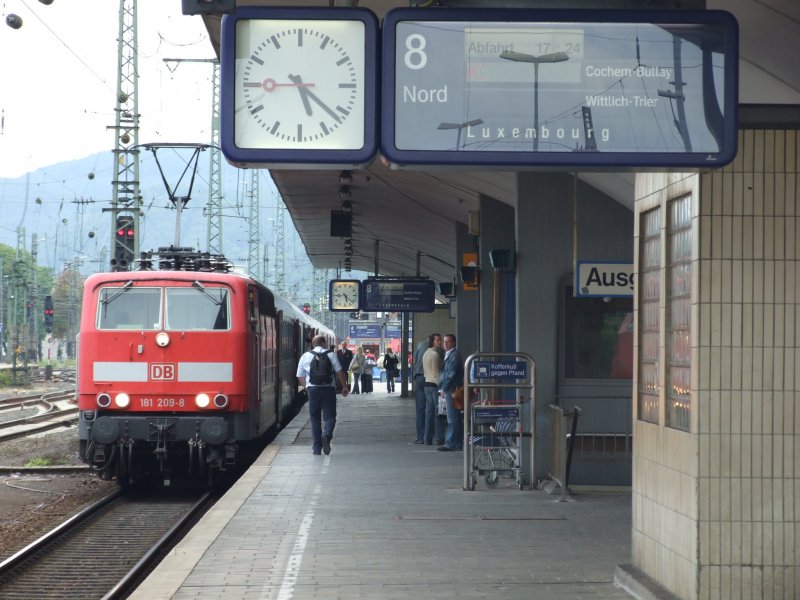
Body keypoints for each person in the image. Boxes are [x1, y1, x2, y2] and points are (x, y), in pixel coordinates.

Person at [296, 334, 349, 455]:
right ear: (324, 343)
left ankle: (316, 448)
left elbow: (299, 375)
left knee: (315, 419)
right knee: (330, 417)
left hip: (313, 391)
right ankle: (326, 435)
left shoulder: (306, 356)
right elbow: (340, 372)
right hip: (328, 390)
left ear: (312, 344)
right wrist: (344, 387)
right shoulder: (331, 354)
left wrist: (306, 387)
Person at [438, 333, 464, 452]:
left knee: (452, 417)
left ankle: (451, 443)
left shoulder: (454, 355)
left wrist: (444, 388)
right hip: (449, 388)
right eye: (444, 341)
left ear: (454, 343)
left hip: (452, 389)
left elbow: (451, 374)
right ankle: (456, 442)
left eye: (448, 341)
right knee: (453, 417)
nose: (445, 343)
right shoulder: (448, 355)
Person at [412, 334, 435, 443]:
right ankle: (431, 436)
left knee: (420, 409)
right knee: (431, 408)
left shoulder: (419, 345)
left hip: (419, 378)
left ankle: (420, 437)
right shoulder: (436, 350)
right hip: (429, 379)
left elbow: (414, 361)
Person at [422, 336, 445, 445]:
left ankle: (427, 438)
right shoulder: (435, 355)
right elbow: (437, 373)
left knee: (429, 413)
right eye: (438, 340)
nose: (440, 342)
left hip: (426, 384)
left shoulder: (426, 353)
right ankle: (439, 438)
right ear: (432, 341)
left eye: (440, 340)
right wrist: (441, 388)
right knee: (438, 413)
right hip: (434, 385)